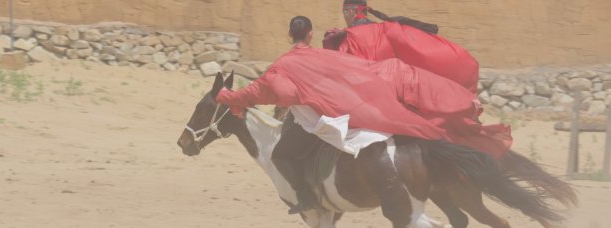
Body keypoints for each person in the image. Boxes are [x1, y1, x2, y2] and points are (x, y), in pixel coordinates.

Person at [216, 16, 511, 214]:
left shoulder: (284, 65)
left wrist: (228, 97)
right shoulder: (327, 55)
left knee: (281, 153)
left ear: (289, 35)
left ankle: (306, 197)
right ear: (310, 34)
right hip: (342, 112)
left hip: (317, 122)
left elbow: (261, 91)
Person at [324, 0, 479, 94]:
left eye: (344, 12)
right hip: (395, 93)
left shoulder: (350, 38)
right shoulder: (386, 30)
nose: (344, 17)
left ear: (351, 11)